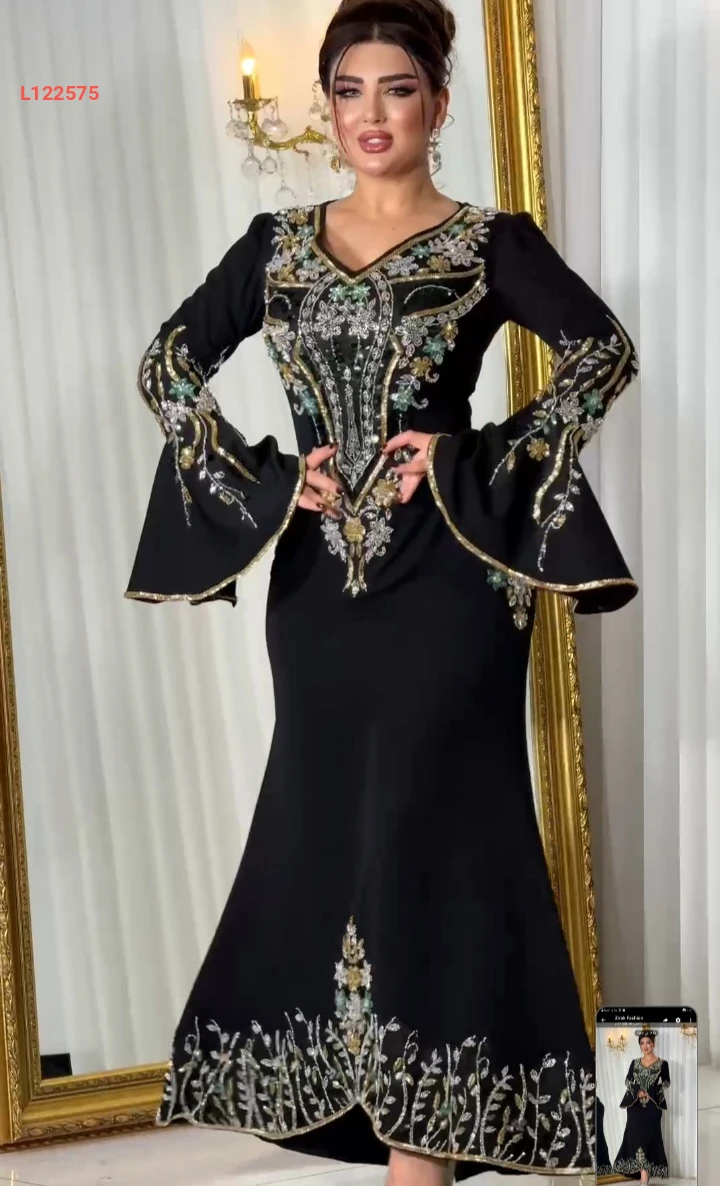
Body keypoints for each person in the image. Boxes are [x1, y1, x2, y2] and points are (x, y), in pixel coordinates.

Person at [126, 0, 639, 1181]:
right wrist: (267, 479)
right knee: (333, 831)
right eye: (349, 90)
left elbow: (602, 353)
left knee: (437, 830)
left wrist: (468, 458)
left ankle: (427, 1143)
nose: (371, 113)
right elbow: (166, 365)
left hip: (453, 585)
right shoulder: (276, 246)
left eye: (397, 88)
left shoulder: (488, 242)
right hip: (318, 595)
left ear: (437, 105)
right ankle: (394, 1106)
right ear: (327, 105)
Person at [613, 1031, 670, 1183]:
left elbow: (666, 1083)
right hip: (635, 1107)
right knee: (636, 1137)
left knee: (650, 1138)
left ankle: (646, 1172)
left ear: (653, 1044)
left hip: (652, 1107)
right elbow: (628, 1081)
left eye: (648, 1042)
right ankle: (643, 1173)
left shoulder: (662, 1063)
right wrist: (638, 1091)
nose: (645, 1046)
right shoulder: (635, 1063)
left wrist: (652, 1092)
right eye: (642, 1043)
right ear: (640, 1046)